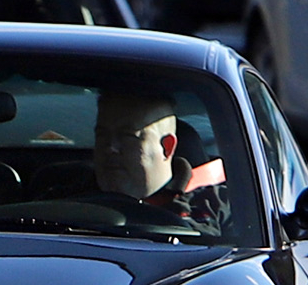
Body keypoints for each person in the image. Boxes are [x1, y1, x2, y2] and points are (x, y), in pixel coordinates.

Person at [88, 91, 227, 231]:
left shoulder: (217, 205)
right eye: (102, 135)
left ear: (167, 147)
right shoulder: (71, 189)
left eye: (127, 136)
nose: (111, 147)